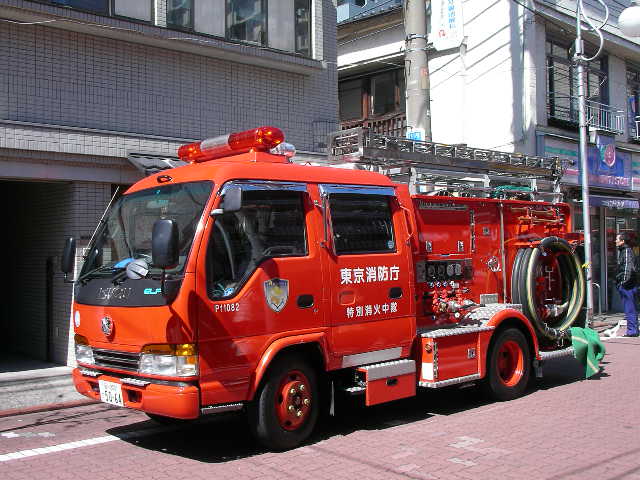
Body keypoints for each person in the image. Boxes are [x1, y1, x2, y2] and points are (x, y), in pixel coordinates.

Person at [615, 232, 639, 337]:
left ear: (622, 241)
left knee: (630, 308)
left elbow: (627, 268)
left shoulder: (626, 251)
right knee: (631, 308)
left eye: (617, 239)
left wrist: (623, 283)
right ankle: (633, 330)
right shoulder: (625, 251)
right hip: (630, 284)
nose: (615, 241)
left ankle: (632, 331)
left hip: (628, 286)